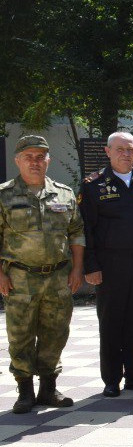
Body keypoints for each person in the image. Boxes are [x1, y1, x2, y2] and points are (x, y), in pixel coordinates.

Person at [0, 135, 84, 413]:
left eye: (40, 157)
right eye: (29, 157)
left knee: (56, 333)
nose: (35, 162)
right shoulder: (4, 195)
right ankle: (25, 391)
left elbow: (76, 232)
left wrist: (78, 269)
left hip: (58, 278)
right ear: (18, 160)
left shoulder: (64, 193)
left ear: (48, 160)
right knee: (19, 335)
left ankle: (48, 388)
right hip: (19, 278)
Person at [80, 131, 133, 397]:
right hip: (110, 263)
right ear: (108, 151)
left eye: (130, 150)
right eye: (120, 149)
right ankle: (112, 379)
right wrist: (90, 266)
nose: (126, 154)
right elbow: (87, 229)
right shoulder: (93, 184)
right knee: (111, 321)